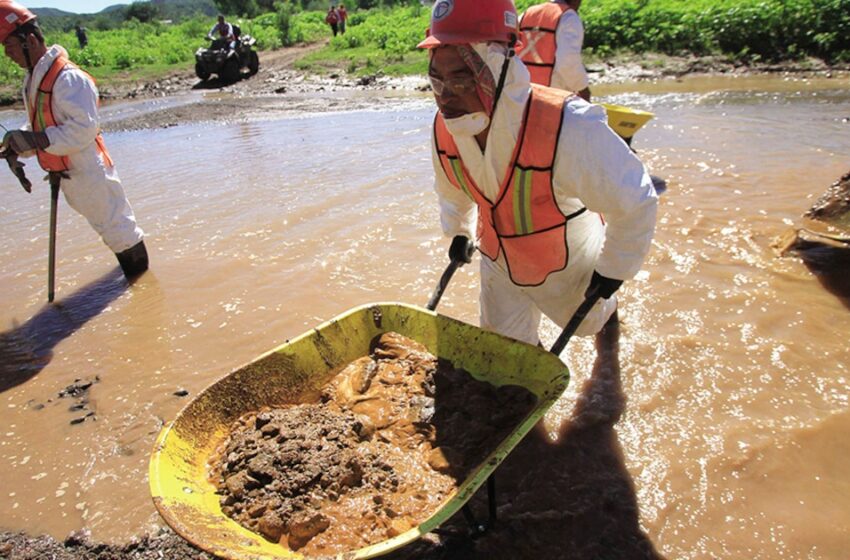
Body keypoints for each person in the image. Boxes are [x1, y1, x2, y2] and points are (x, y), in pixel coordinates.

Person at [418, 0, 657, 347]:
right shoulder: (444, 129)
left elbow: (635, 200)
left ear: (495, 66)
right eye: (437, 80)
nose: (446, 98)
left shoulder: (568, 124)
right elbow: (452, 188)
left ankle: (609, 355)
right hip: (498, 258)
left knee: (593, 321)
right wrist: (459, 231)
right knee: (507, 354)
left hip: (564, 257)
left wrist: (614, 270)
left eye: (462, 79)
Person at [0, 1, 148, 280]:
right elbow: (44, 123)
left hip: (89, 171)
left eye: (9, 47)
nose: (8, 55)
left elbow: (82, 130)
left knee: (119, 232)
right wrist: (18, 143)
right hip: (69, 172)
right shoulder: (34, 77)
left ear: (29, 40)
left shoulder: (69, 78)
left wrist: (32, 139)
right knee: (111, 232)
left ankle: (143, 290)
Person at [518, 0, 590, 101]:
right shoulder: (568, 17)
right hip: (553, 97)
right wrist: (582, 89)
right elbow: (568, 61)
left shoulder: (526, 14)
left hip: (523, 95)